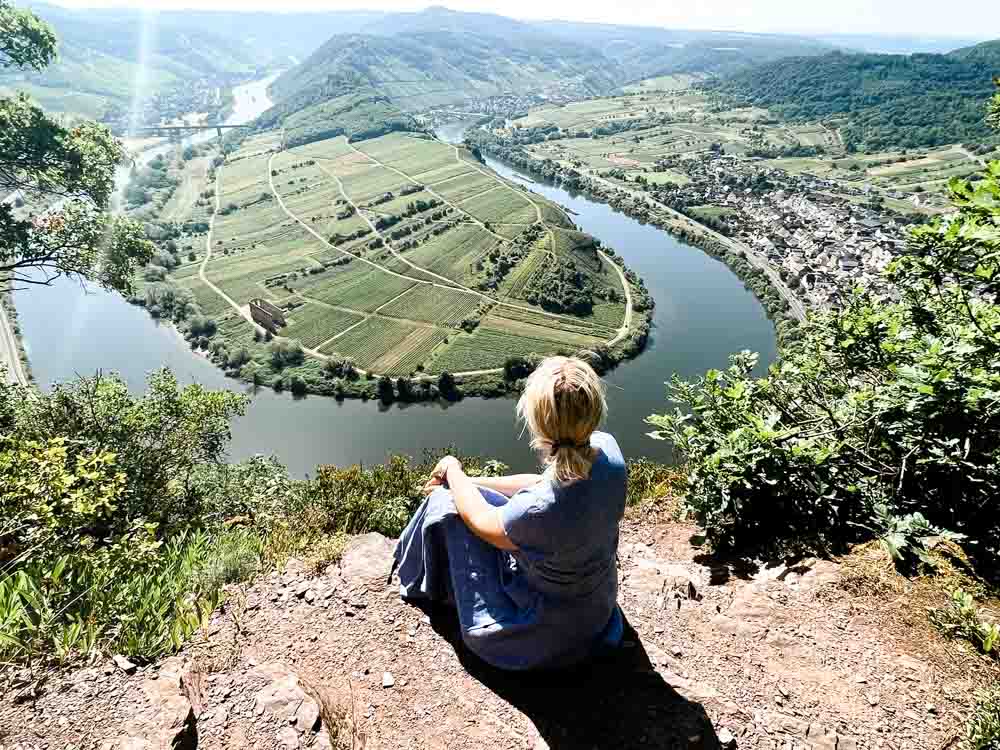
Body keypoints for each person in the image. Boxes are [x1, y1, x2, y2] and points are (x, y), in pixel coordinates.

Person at [393, 356, 627, 671]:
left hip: (545, 635)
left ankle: (421, 582)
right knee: (463, 494)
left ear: (538, 422)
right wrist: (471, 481)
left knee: (445, 505)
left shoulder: (538, 508)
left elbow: (479, 520)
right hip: (596, 611)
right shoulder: (607, 451)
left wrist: (452, 469)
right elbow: (539, 484)